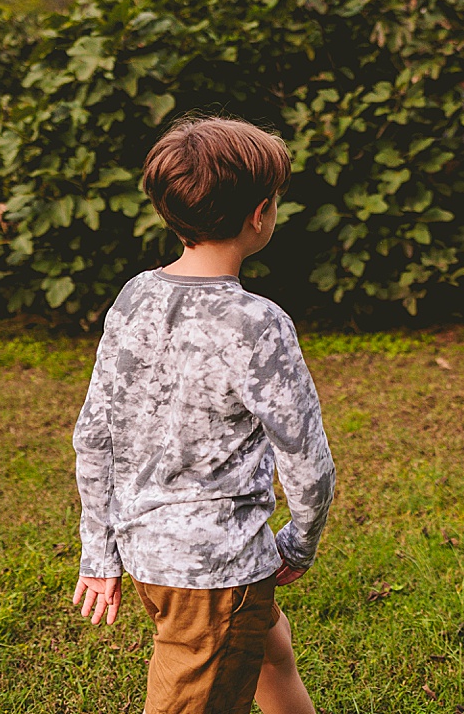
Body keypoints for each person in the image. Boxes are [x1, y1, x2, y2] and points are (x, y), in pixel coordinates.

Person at [71, 116, 336, 714]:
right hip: (215, 575)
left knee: (272, 651)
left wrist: (100, 549)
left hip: (148, 552)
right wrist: (299, 541)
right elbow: (306, 459)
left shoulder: (134, 296)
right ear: (259, 215)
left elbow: (93, 436)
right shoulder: (258, 323)